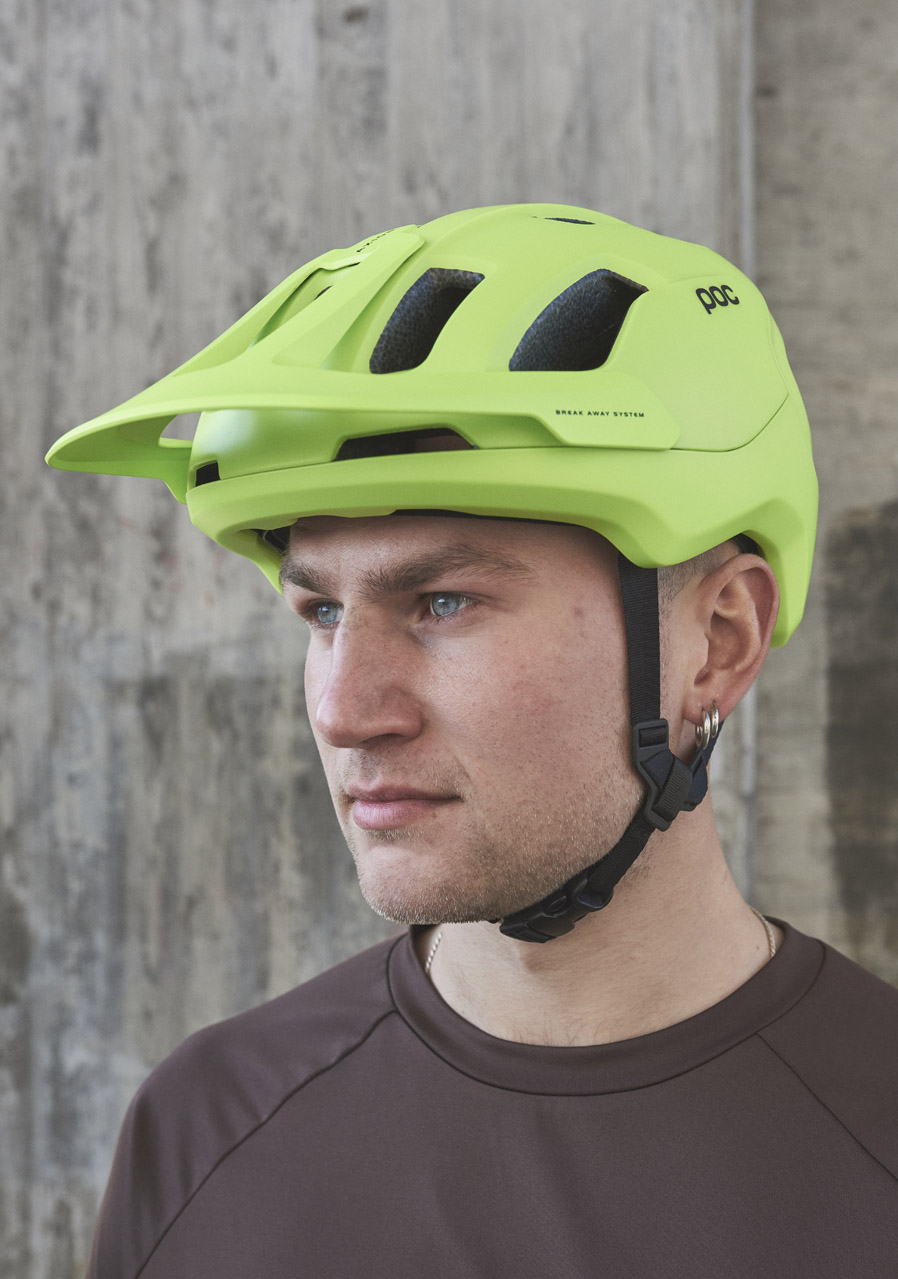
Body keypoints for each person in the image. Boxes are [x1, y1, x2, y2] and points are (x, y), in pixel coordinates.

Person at [47, 204, 898, 1277]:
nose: (345, 711)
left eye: (443, 602)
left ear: (717, 641)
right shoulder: (208, 1130)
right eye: (321, 612)